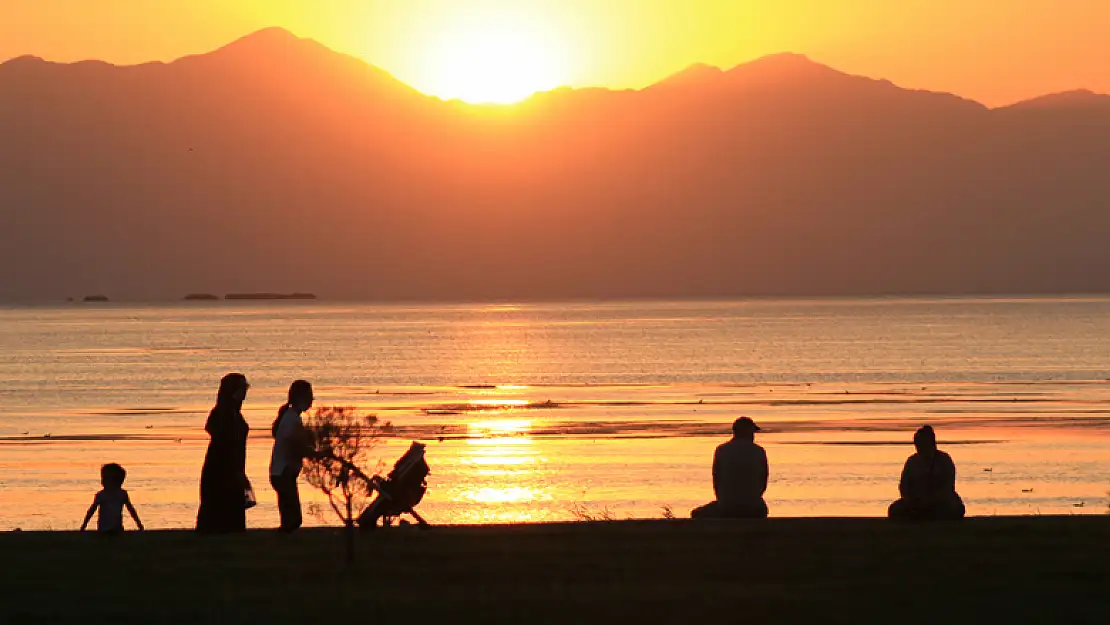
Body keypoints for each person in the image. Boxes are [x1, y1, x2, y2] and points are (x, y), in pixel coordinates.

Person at [196, 373, 252, 534]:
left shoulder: (234, 412)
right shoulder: (223, 412)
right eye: (243, 388)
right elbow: (219, 437)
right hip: (221, 469)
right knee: (220, 510)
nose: (245, 392)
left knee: (232, 512)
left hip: (233, 468)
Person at [691, 416, 769, 519]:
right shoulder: (759, 451)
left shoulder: (721, 450)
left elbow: (716, 480)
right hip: (754, 507)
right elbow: (763, 481)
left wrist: (724, 501)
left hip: (727, 506)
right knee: (762, 509)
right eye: (752, 432)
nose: (753, 436)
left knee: (696, 513)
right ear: (747, 432)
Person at [888, 425, 965, 520]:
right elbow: (903, 486)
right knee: (894, 509)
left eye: (922, 443)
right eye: (917, 443)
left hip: (940, 503)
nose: (919, 447)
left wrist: (930, 500)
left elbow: (947, 487)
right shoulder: (912, 461)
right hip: (916, 503)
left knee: (955, 509)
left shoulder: (944, 460)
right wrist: (910, 499)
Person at [269, 380, 316, 533]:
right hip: (283, 473)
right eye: (309, 396)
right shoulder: (291, 419)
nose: (311, 400)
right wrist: (314, 453)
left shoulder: (291, 417)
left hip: (281, 472)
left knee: (291, 517)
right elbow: (296, 447)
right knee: (292, 519)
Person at [80, 463, 144, 534]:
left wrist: (139, 525)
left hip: (114, 529)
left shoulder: (115, 494)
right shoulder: (104, 495)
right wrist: (84, 525)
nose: (102, 481)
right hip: (106, 529)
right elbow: (91, 511)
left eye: (105, 478)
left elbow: (131, 510)